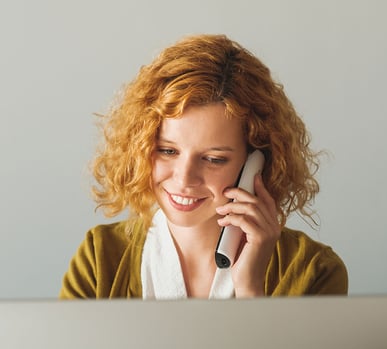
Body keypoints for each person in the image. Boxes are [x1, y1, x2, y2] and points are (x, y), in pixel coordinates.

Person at [59, 34, 348, 299]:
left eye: (213, 159)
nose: (184, 178)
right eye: (168, 151)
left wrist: (250, 289)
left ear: (255, 164)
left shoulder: (315, 271)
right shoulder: (98, 258)